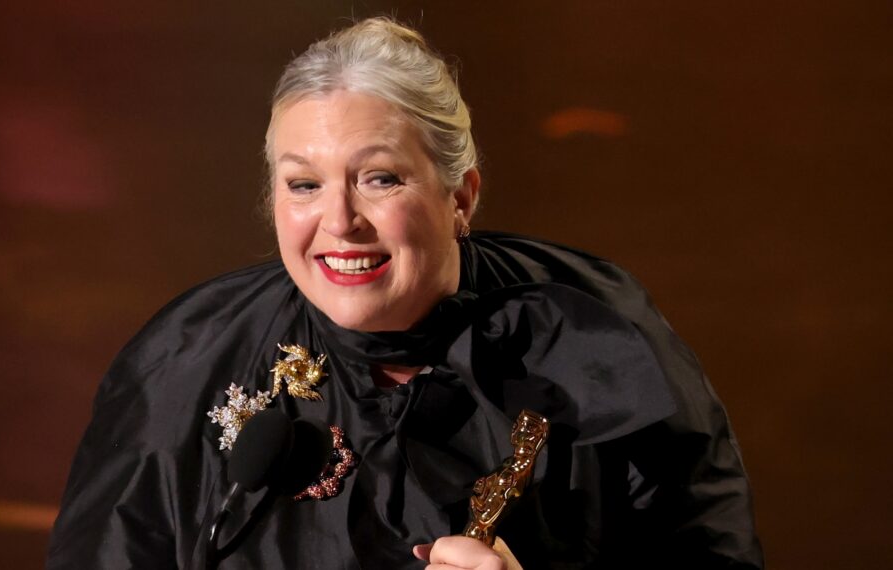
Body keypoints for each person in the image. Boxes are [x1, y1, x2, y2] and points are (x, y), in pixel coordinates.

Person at [47, 17, 763, 570]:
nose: (339, 222)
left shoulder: (595, 345)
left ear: (461, 195)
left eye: (380, 178)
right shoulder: (186, 359)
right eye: (304, 184)